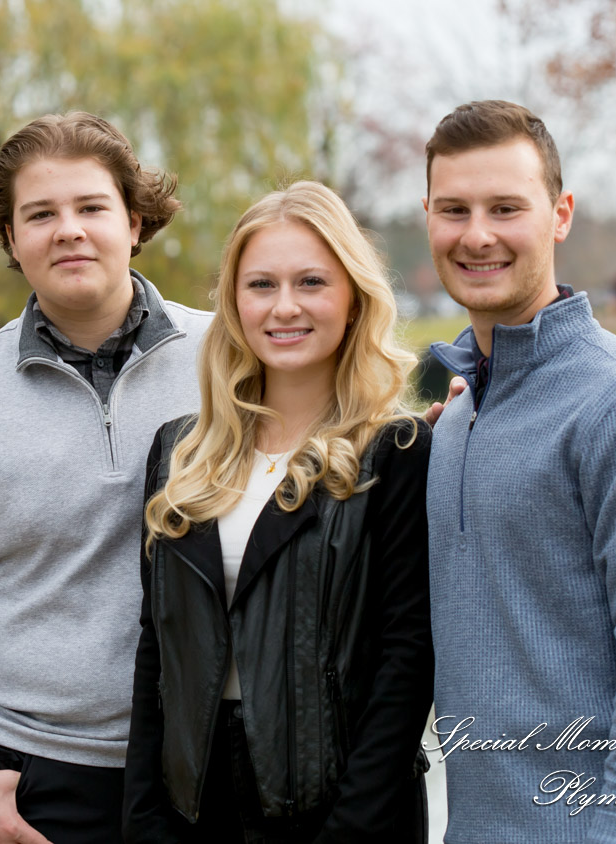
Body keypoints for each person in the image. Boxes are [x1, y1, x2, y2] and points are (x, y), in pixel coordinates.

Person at [0, 112, 212, 844]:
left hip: (212, 764)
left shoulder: (229, 359)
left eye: (92, 207)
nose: (69, 231)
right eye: (41, 214)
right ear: (10, 237)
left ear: (135, 222)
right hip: (33, 782)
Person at [421, 100, 616, 843]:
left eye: (506, 208)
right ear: (428, 217)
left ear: (560, 215)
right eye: (454, 209)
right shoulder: (457, 415)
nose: (477, 235)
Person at [124, 181, 433, 843]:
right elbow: (157, 647)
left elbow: (406, 660)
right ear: (234, 303)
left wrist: (352, 826)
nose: (284, 306)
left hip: (342, 806)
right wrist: (145, 816)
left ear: (353, 299)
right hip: (195, 808)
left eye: (311, 282)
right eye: (261, 284)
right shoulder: (180, 454)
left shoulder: (396, 450)